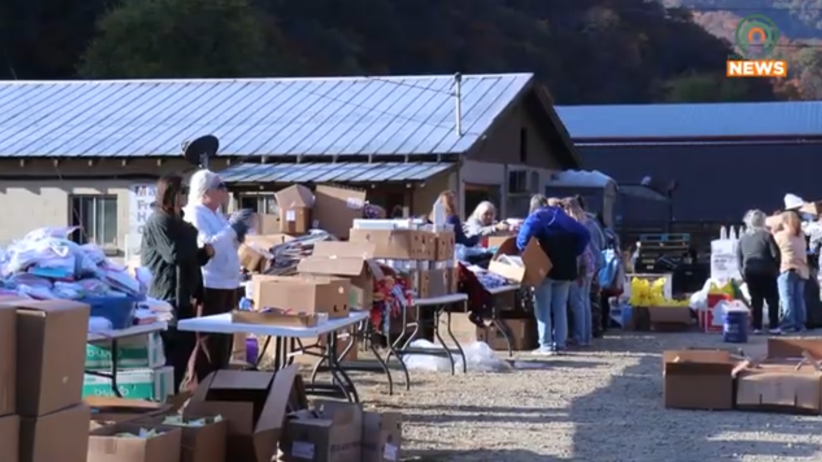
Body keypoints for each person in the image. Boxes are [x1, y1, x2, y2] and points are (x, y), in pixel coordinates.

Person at [141, 175, 214, 391]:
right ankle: (164, 393)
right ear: (171, 194)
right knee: (171, 346)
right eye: (182, 191)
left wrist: (204, 254)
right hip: (164, 296)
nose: (186, 196)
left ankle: (171, 391)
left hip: (183, 296)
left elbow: (188, 258)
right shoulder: (159, 221)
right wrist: (191, 234)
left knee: (187, 342)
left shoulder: (180, 223)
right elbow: (173, 254)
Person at [183, 170, 255, 381]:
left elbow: (226, 244)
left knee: (224, 341)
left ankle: (219, 382)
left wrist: (237, 236)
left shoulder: (216, 214)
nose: (225, 191)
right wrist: (231, 230)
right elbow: (207, 247)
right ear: (205, 192)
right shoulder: (195, 214)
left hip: (228, 284)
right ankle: (199, 386)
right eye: (220, 187)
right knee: (207, 340)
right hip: (209, 284)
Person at [517, 194, 590, 355]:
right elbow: (585, 234)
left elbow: (522, 239)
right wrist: (575, 252)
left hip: (545, 266)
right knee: (560, 307)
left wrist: (529, 253)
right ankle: (560, 344)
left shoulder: (537, 216)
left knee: (542, 307)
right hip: (567, 267)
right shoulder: (563, 216)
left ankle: (546, 346)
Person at [563, 197, 605, 345]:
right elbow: (602, 243)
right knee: (584, 301)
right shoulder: (591, 222)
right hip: (592, 266)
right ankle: (586, 336)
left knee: (576, 303)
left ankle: (580, 337)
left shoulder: (574, 225)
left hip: (580, 267)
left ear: (568, 209)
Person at [736, 209, 781, 334]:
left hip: (750, 272)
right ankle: (773, 326)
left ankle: (757, 326)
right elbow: (775, 254)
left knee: (756, 300)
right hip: (767, 271)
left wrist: (743, 273)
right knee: (772, 299)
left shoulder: (743, 238)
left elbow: (739, 258)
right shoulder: (767, 236)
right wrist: (776, 269)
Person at [774, 210, 809, 333]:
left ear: (785, 222)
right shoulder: (801, 235)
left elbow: (773, 244)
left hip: (787, 268)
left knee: (787, 298)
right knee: (799, 298)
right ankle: (800, 324)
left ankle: (788, 323)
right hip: (802, 270)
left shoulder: (781, 235)